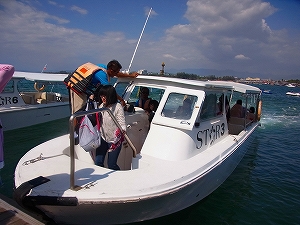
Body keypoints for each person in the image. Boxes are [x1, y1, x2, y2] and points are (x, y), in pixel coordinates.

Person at [70, 60, 138, 113]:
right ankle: (76, 129)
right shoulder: (102, 75)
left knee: (85, 109)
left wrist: (130, 75)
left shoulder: (104, 68)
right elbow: (110, 91)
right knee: (79, 112)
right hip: (77, 88)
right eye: (116, 72)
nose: (116, 75)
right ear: (111, 70)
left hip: (85, 89)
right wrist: (121, 100)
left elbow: (118, 74)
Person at [95, 85, 126, 170]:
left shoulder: (118, 107)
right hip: (103, 138)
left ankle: (119, 178)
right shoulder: (101, 106)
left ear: (110, 96)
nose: (103, 98)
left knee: (111, 164)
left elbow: (122, 122)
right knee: (98, 162)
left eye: (105, 96)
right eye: (101, 96)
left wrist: (123, 130)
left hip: (114, 140)